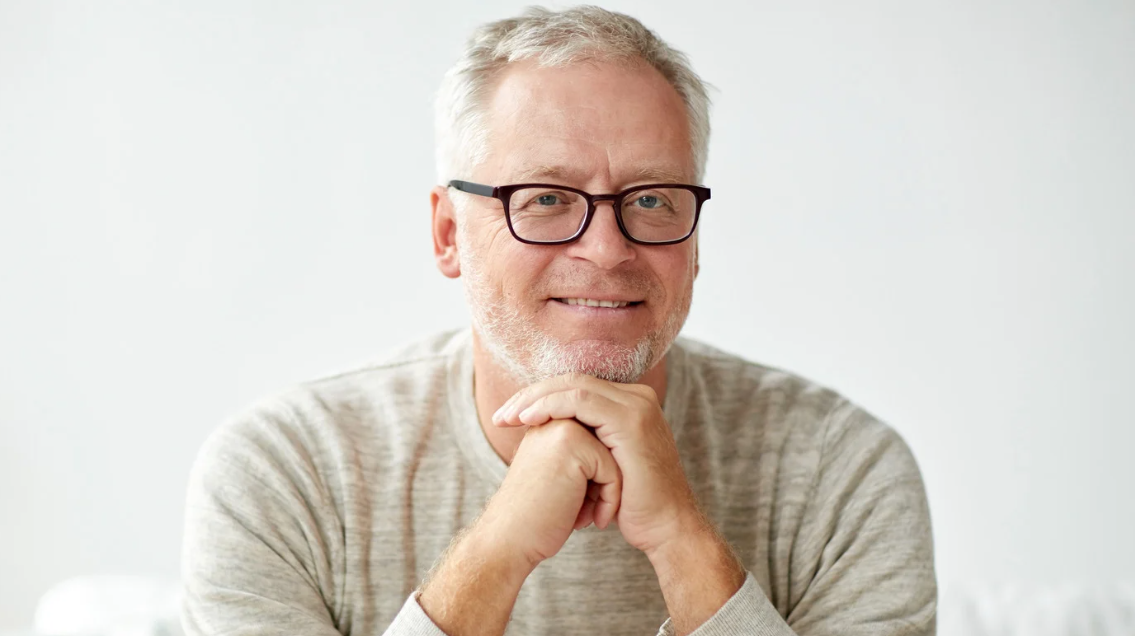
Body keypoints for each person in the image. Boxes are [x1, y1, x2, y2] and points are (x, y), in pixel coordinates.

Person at [180, 6, 936, 636]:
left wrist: (682, 543)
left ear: (696, 240)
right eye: (544, 198)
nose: (606, 250)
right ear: (448, 234)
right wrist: (497, 551)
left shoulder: (841, 470)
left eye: (650, 200)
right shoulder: (282, 472)